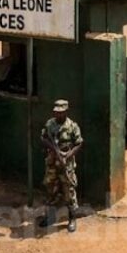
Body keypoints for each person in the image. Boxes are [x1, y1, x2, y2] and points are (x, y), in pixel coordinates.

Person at [38, 99, 83, 233]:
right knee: (50, 188)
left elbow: (79, 143)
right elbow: (43, 137)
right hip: (52, 162)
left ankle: (72, 218)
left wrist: (67, 155)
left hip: (66, 164)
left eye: (61, 112)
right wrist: (53, 149)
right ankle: (50, 216)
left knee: (68, 190)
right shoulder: (49, 124)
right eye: (56, 112)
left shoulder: (72, 126)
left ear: (66, 112)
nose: (58, 114)